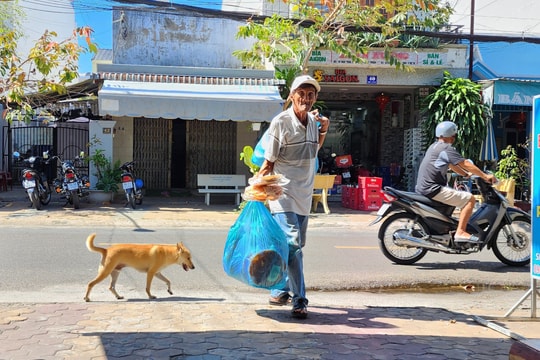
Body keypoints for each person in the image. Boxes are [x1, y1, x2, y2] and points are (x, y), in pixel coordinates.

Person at [257, 75, 329, 319]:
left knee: (294, 247)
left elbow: (313, 150)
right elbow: (269, 162)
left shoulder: (312, 122)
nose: (306, 99)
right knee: (293, 246)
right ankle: (299, 300)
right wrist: (255, 188)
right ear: (291, 95)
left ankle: (280, 288)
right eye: (301, 94)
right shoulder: (281, 122)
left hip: (304, 195)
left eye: (311, 95)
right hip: (283, 194)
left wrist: (324, 130)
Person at [415, 120, 496, 243]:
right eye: (454, 135)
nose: (455, 138)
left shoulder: (434, 146)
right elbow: (466, 163)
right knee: (470, 199)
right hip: (433, 188)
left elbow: (452, 164)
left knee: (456, 197)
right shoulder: (446, 148)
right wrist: (485, 176)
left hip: (424, 187)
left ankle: (450, 229)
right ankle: (460, 232)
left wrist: (464, 174)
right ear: (449, 135)